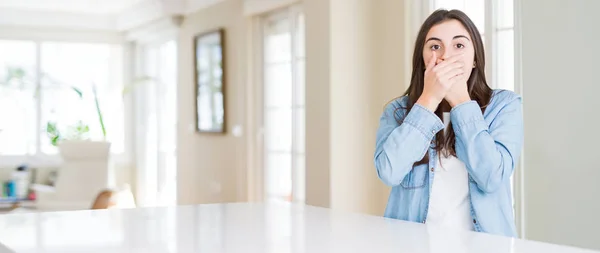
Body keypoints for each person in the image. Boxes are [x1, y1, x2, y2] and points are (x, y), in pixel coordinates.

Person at [373, 9, 523, 237]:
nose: (446, 56)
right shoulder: (397, 112)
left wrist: (462, 101)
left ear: (475, 59)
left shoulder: (504, 106)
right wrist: (429, 99)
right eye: (435, 46)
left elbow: (491, 176)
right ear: (423, 60)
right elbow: (388, 172)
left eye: (459, 46)